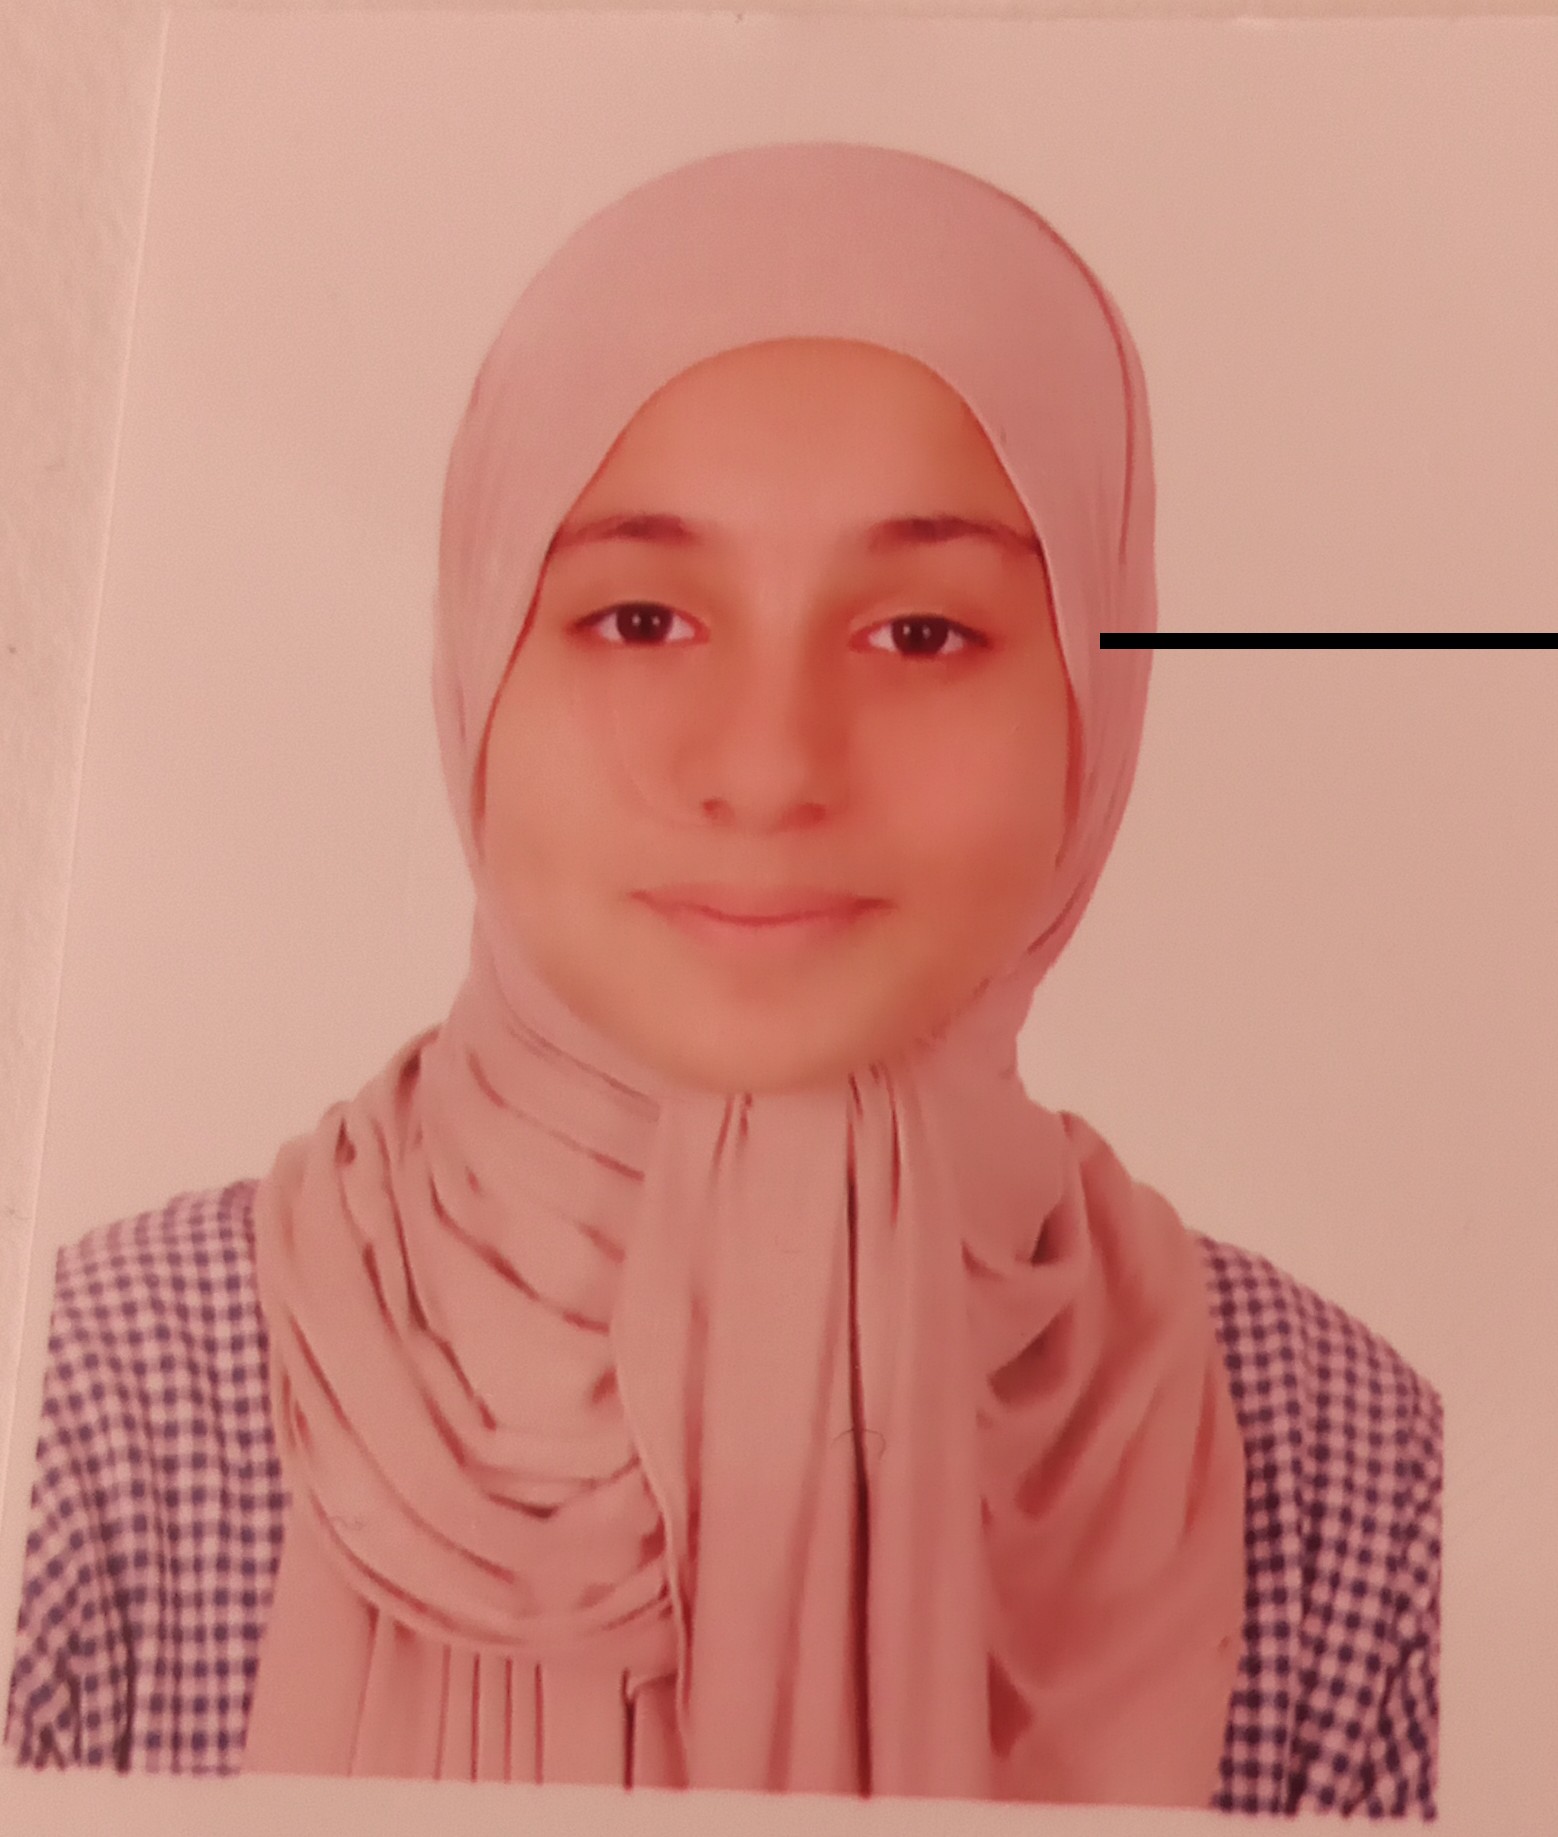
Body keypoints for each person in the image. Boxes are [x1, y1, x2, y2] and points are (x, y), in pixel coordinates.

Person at [4, 141, 1441, 1813]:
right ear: (477, 656)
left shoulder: (1335, 1470)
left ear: (1091, 700)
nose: (765, 769)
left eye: (918, 633)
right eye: (640, 620)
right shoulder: (95, 1407)